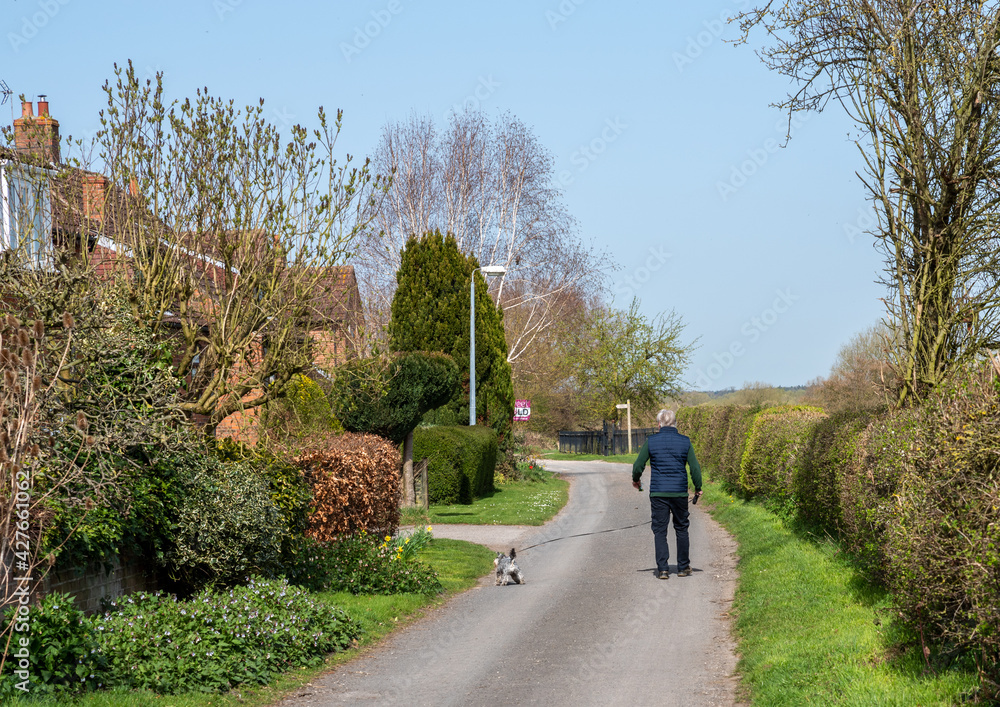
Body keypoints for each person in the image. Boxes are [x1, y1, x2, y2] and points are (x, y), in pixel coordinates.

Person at [631, 409, 702, 580]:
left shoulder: (651, 441)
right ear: (675, 423)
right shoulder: (685, 442)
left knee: (660, 530)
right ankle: (683, 567)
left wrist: (636, 479)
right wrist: (698, 487)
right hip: (679, 492)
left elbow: (638, 464)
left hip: (658, 493)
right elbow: (695, 468)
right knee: (682, 528)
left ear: (659, 424)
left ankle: (663, 569)